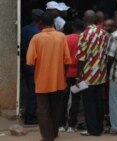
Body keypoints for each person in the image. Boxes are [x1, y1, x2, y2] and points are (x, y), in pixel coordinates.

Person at [26, 11, 72, 141]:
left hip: (42, 80)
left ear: (41, 24)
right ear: (53, 23)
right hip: (58, 80)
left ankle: (47, 137)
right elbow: (67, 60)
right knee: (56, 108)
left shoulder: (36, 38)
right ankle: (54, 133)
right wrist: (63, 75)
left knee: (43, 110)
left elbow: (30, 61)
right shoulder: (62, 37)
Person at [76, 10, 109, 136]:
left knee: (89, 103)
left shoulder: (84, 34)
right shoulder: (104, 33)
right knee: (99, 101)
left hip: (88, 75)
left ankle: (92, 129)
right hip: (100, 74)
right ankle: (99, 128)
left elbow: (81, 57)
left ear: (85, 19)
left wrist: (78, 75)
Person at [59, 19, 84, 133]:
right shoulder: (83, 40)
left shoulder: (65, 39)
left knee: (63, 99)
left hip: (66, 73)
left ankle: (61, 124)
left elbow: (62, 57)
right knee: (75, 100)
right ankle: (72, 125)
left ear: (73, 27)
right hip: (78, 74)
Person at [21, 8, 44, 125]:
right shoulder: (38, 33)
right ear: (41, 19)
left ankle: (28, 114)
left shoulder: (25, 29)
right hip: (34, 65)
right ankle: (30, 117)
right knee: (33, 92)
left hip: (25, 63)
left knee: (30, 90)